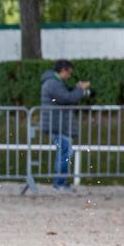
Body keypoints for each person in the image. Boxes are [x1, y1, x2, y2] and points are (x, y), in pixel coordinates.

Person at [39, 59, 91, 192]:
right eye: (70, 73)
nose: (70, 76)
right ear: (63, 71)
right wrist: (80, 89)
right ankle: (60, 183)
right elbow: (67, 98)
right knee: (64, 153)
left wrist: (76, 90)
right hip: (57, 125)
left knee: (64, 152)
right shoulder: (53, 83)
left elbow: (65, 96)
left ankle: (60, 182)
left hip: (57, 124)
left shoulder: (53, 82)